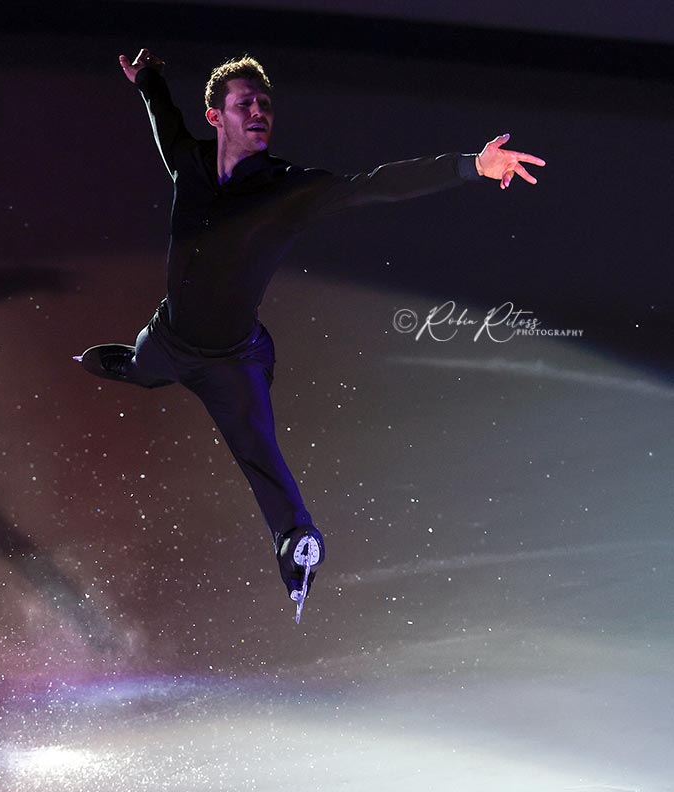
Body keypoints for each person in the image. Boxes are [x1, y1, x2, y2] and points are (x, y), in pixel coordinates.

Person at [77, 48, 545, 616]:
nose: (259, 112)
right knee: (142, 366)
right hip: (169, 337)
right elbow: (163, 116)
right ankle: (128, 366)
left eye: (265, 104)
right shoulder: (189, 161)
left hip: (231, 360)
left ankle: (295, 546)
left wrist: (471, 165)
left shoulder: (287, 189)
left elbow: (374, 185)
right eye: (245, 103)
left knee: (259, 453)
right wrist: (148, 77)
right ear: (215, 115)